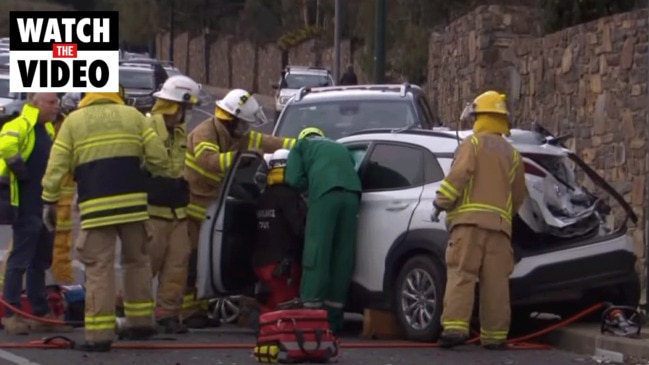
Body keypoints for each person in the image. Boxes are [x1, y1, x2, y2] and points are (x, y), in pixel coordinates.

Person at [41, 88, 171, 352]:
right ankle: (141, 323)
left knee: (99, 268)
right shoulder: (134, 116)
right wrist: (145, 169)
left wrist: (48, 198)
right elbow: (159, 159)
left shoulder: (74, 121)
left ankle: (99, 336)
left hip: (96, 207)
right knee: (137, 262)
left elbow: (57, 164)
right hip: (134, 206)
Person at [182, 88, 296, 328]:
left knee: (201, 261)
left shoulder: (237, 136)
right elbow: (209, 161)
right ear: (230, 119)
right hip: (193, 206)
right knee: (190, 261)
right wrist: (238, 157)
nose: (246, 130)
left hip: (212, 205)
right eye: (243, 124)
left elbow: (269, 142)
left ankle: (200, 309)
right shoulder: (204, 133)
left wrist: (300, 146)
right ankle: (188, 310)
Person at [433, 91, 528, 350]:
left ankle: (454, 329)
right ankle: (495, 336)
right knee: (496, 284)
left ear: (479, 116)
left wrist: (440, 202)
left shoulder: (472, 145)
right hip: (499, 229)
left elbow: (459, 176)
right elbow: (519, 195)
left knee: (462, 274)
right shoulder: (513, 154)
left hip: (469, 226)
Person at [0, 93, 73, 335]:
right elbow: (6, 145)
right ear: (35, 103)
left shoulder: (47, 130)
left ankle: (40, 312)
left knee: (39, 262)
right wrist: (18, 168)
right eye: (51, 102)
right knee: (19, 261)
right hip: (26, 206)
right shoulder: (20, 125)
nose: (56, 106)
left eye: (56, 102)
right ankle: (12, 314)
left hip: (42, 206)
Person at [283, 127, 362, 333]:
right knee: (342, 255)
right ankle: (334, 321)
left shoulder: (301, 146)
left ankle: (310, 318)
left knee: (317, 251)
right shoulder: (340, 147)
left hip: (325, 194)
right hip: (353, 194)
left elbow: (293, 179)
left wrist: (307, 188)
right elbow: (352, 166)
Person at [145, 75, 201, 334]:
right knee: (147, 264)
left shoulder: (179, 132)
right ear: (174, 106)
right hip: (152, 211)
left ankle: (167, 313)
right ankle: (133, 312)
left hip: (177, 211)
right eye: (185, 108)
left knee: (178, 263)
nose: (186, 114)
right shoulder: (146, 128)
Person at [253, 149, 307, 314]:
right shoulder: (290, 197)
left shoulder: (263, 196)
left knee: (270, 309)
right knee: (286, 313)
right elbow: (300, 229)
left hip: (261, 264)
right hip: (283, 268)